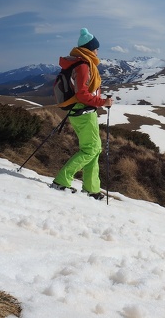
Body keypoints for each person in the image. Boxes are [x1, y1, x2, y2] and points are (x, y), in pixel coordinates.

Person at [50, 28, 113, 200]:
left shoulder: (80, 63)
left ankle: (92, 188)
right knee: (91, 149)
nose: (98, 52)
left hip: (81, 111)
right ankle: (62, 181)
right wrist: (103, 102)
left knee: (94, 149)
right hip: (84, 113)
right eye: (96, 49)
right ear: (90, 49)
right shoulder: (84, 66)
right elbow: (82, 94)